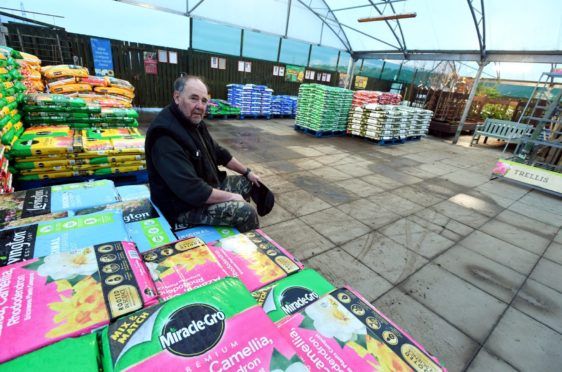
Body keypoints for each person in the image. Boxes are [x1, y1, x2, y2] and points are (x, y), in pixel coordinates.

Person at [145, 75, 262, 232]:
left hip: (205, 185)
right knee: (246, 213)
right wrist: (233, 197)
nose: (200, 106)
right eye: (194, 99)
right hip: (182, 206)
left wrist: (248, 172)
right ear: (177, 97)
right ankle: (244, 250)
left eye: (204, 100)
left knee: (247, 183)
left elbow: (218, 152)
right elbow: (192, 190)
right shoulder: (165, 135)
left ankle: (236, 230)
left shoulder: (194, 121)